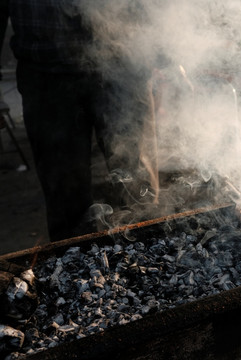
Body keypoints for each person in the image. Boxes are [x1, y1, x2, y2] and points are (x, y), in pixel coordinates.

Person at [9, 0, 160, 241]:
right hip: (46, 74)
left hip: (123, 66)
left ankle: (154, 256)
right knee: (64, 192)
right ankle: (73, 263)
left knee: (136, 180)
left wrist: (166, 55)